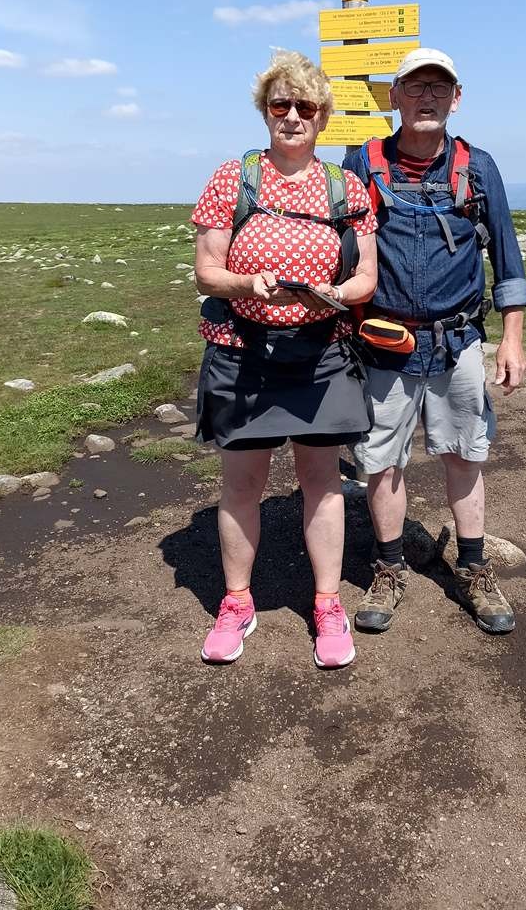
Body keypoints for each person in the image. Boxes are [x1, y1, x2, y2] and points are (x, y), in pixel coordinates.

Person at [192, 51, 377, 668]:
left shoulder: (346, 188)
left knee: (322, 483)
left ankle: (327, 605)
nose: (293, 116)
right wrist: (248, 286)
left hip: (320, 354)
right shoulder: (232, 179)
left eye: (305, 106)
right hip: (242, 353)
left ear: (323, 117)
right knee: (242, 484)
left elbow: (366, 278)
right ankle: (237, 603)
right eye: (280, 105)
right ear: (265, 112)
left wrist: (336, 294)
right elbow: (207, 271)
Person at [343, 46, 526, 635]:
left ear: (456, 97)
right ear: (394, 96)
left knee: (464, 454)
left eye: (439, 87)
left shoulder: (478, 167)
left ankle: (474, 569)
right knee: (382, 461)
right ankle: (390, 568)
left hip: (457, 343)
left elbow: (506, 252)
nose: (427, 97)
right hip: (384, 345)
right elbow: (339, 249)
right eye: (415, 87)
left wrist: (511, 339)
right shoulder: (361, 163)